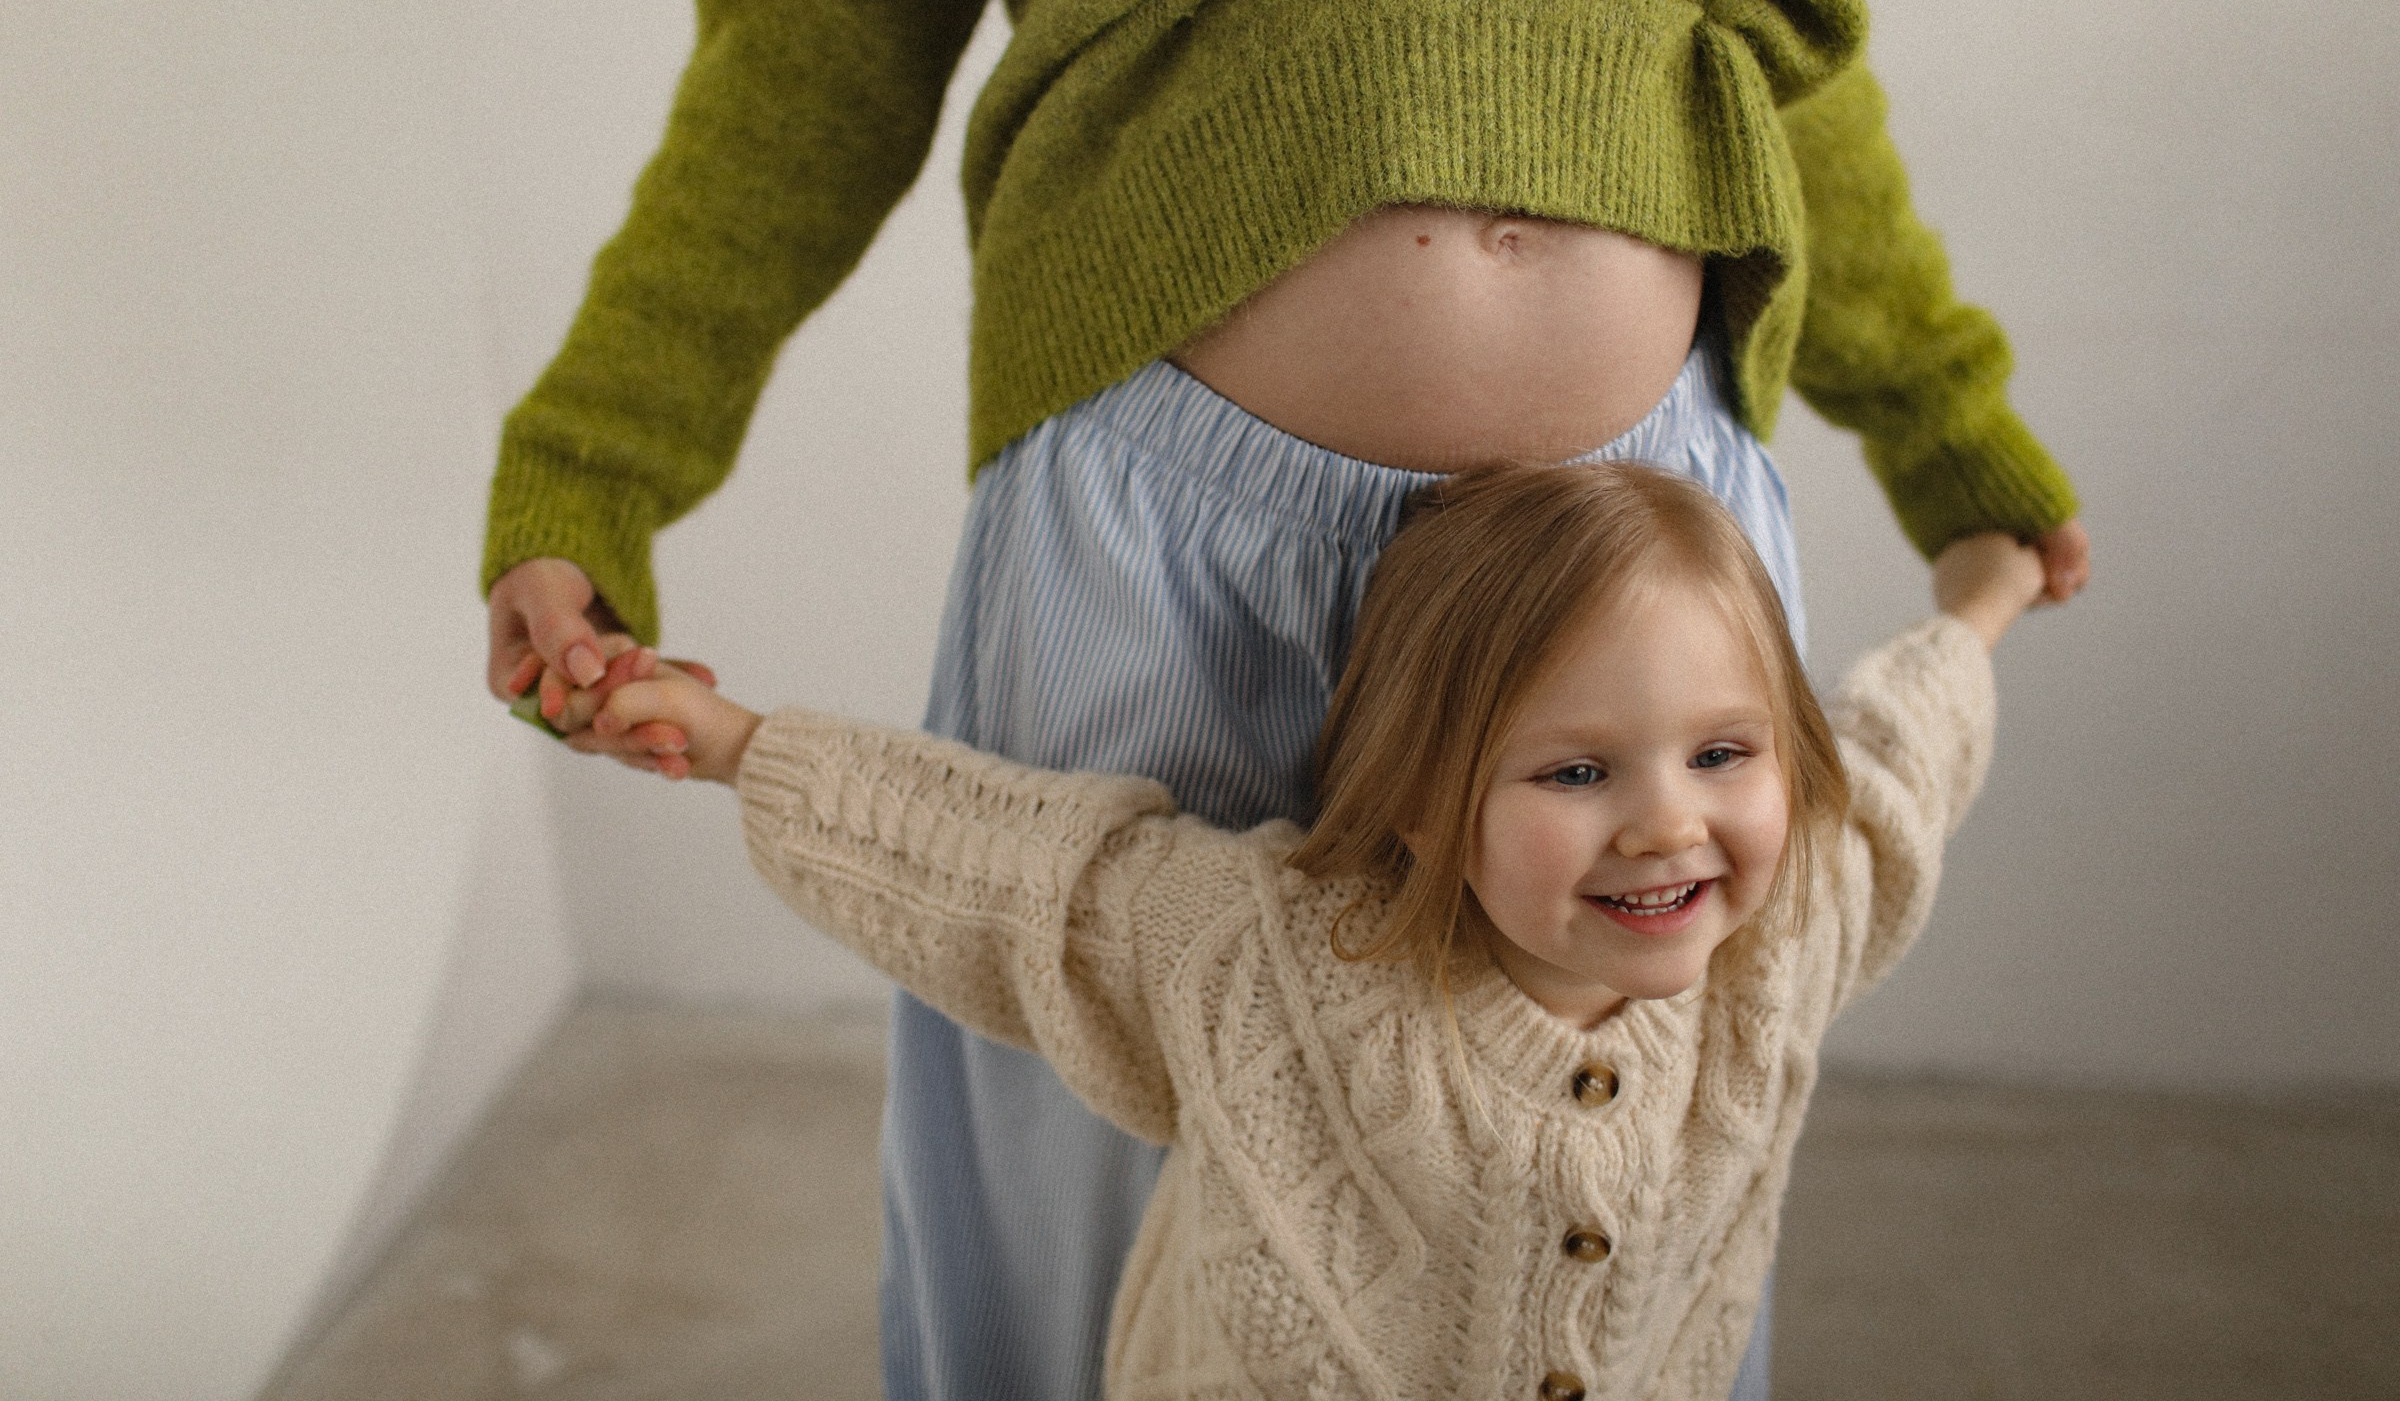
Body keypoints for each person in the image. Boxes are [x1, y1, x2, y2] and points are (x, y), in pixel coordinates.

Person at [481, 0, 2089, 1394]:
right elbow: (815, 26)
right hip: (1173, 557)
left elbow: (1782, 31)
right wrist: (598, 458)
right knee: (1093, 1148)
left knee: (1625, 1196)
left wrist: (1950, 427)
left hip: (1653, 567)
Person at [559, 461, 2049, 1400]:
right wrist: (744, 742)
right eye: (1577, 772)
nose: (1668, 822)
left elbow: (1900, 745)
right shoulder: (1267, 957)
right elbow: (1009, 870)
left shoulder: (1786, 926)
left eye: (1723, 754)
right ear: (1421, 799)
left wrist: (1984, 599)